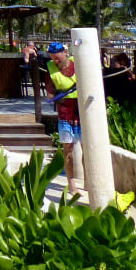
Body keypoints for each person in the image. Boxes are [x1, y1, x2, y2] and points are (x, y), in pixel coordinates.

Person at [45, 42, 82, 194]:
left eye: (58, 57)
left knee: (87, 148)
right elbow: (49, 93)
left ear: (65, 52)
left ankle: (88, 182)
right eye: (53, 58)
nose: (56, 61)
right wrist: (54, 98)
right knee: (68, 148)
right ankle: (71, 184)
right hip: (65, 112)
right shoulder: (51, 69)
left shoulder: (78, 63)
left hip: (81, 112)